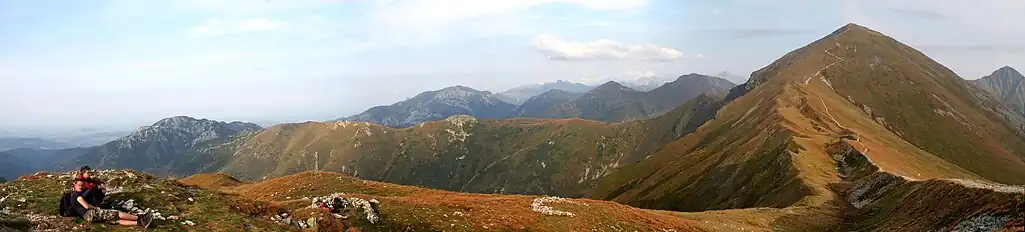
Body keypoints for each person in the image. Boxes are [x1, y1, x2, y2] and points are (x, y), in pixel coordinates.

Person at [71, 178, 153, 227]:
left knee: (115, 220)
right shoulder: (76, 195)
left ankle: (138, 223)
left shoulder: (73, 195)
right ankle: (140, 218)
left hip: (88, 217)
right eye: (79, 185)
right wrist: (95, 208)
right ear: (74, 185)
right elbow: (86, 206)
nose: (81, 187)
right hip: (91, 214)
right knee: (115, 213)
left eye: (82, 185)